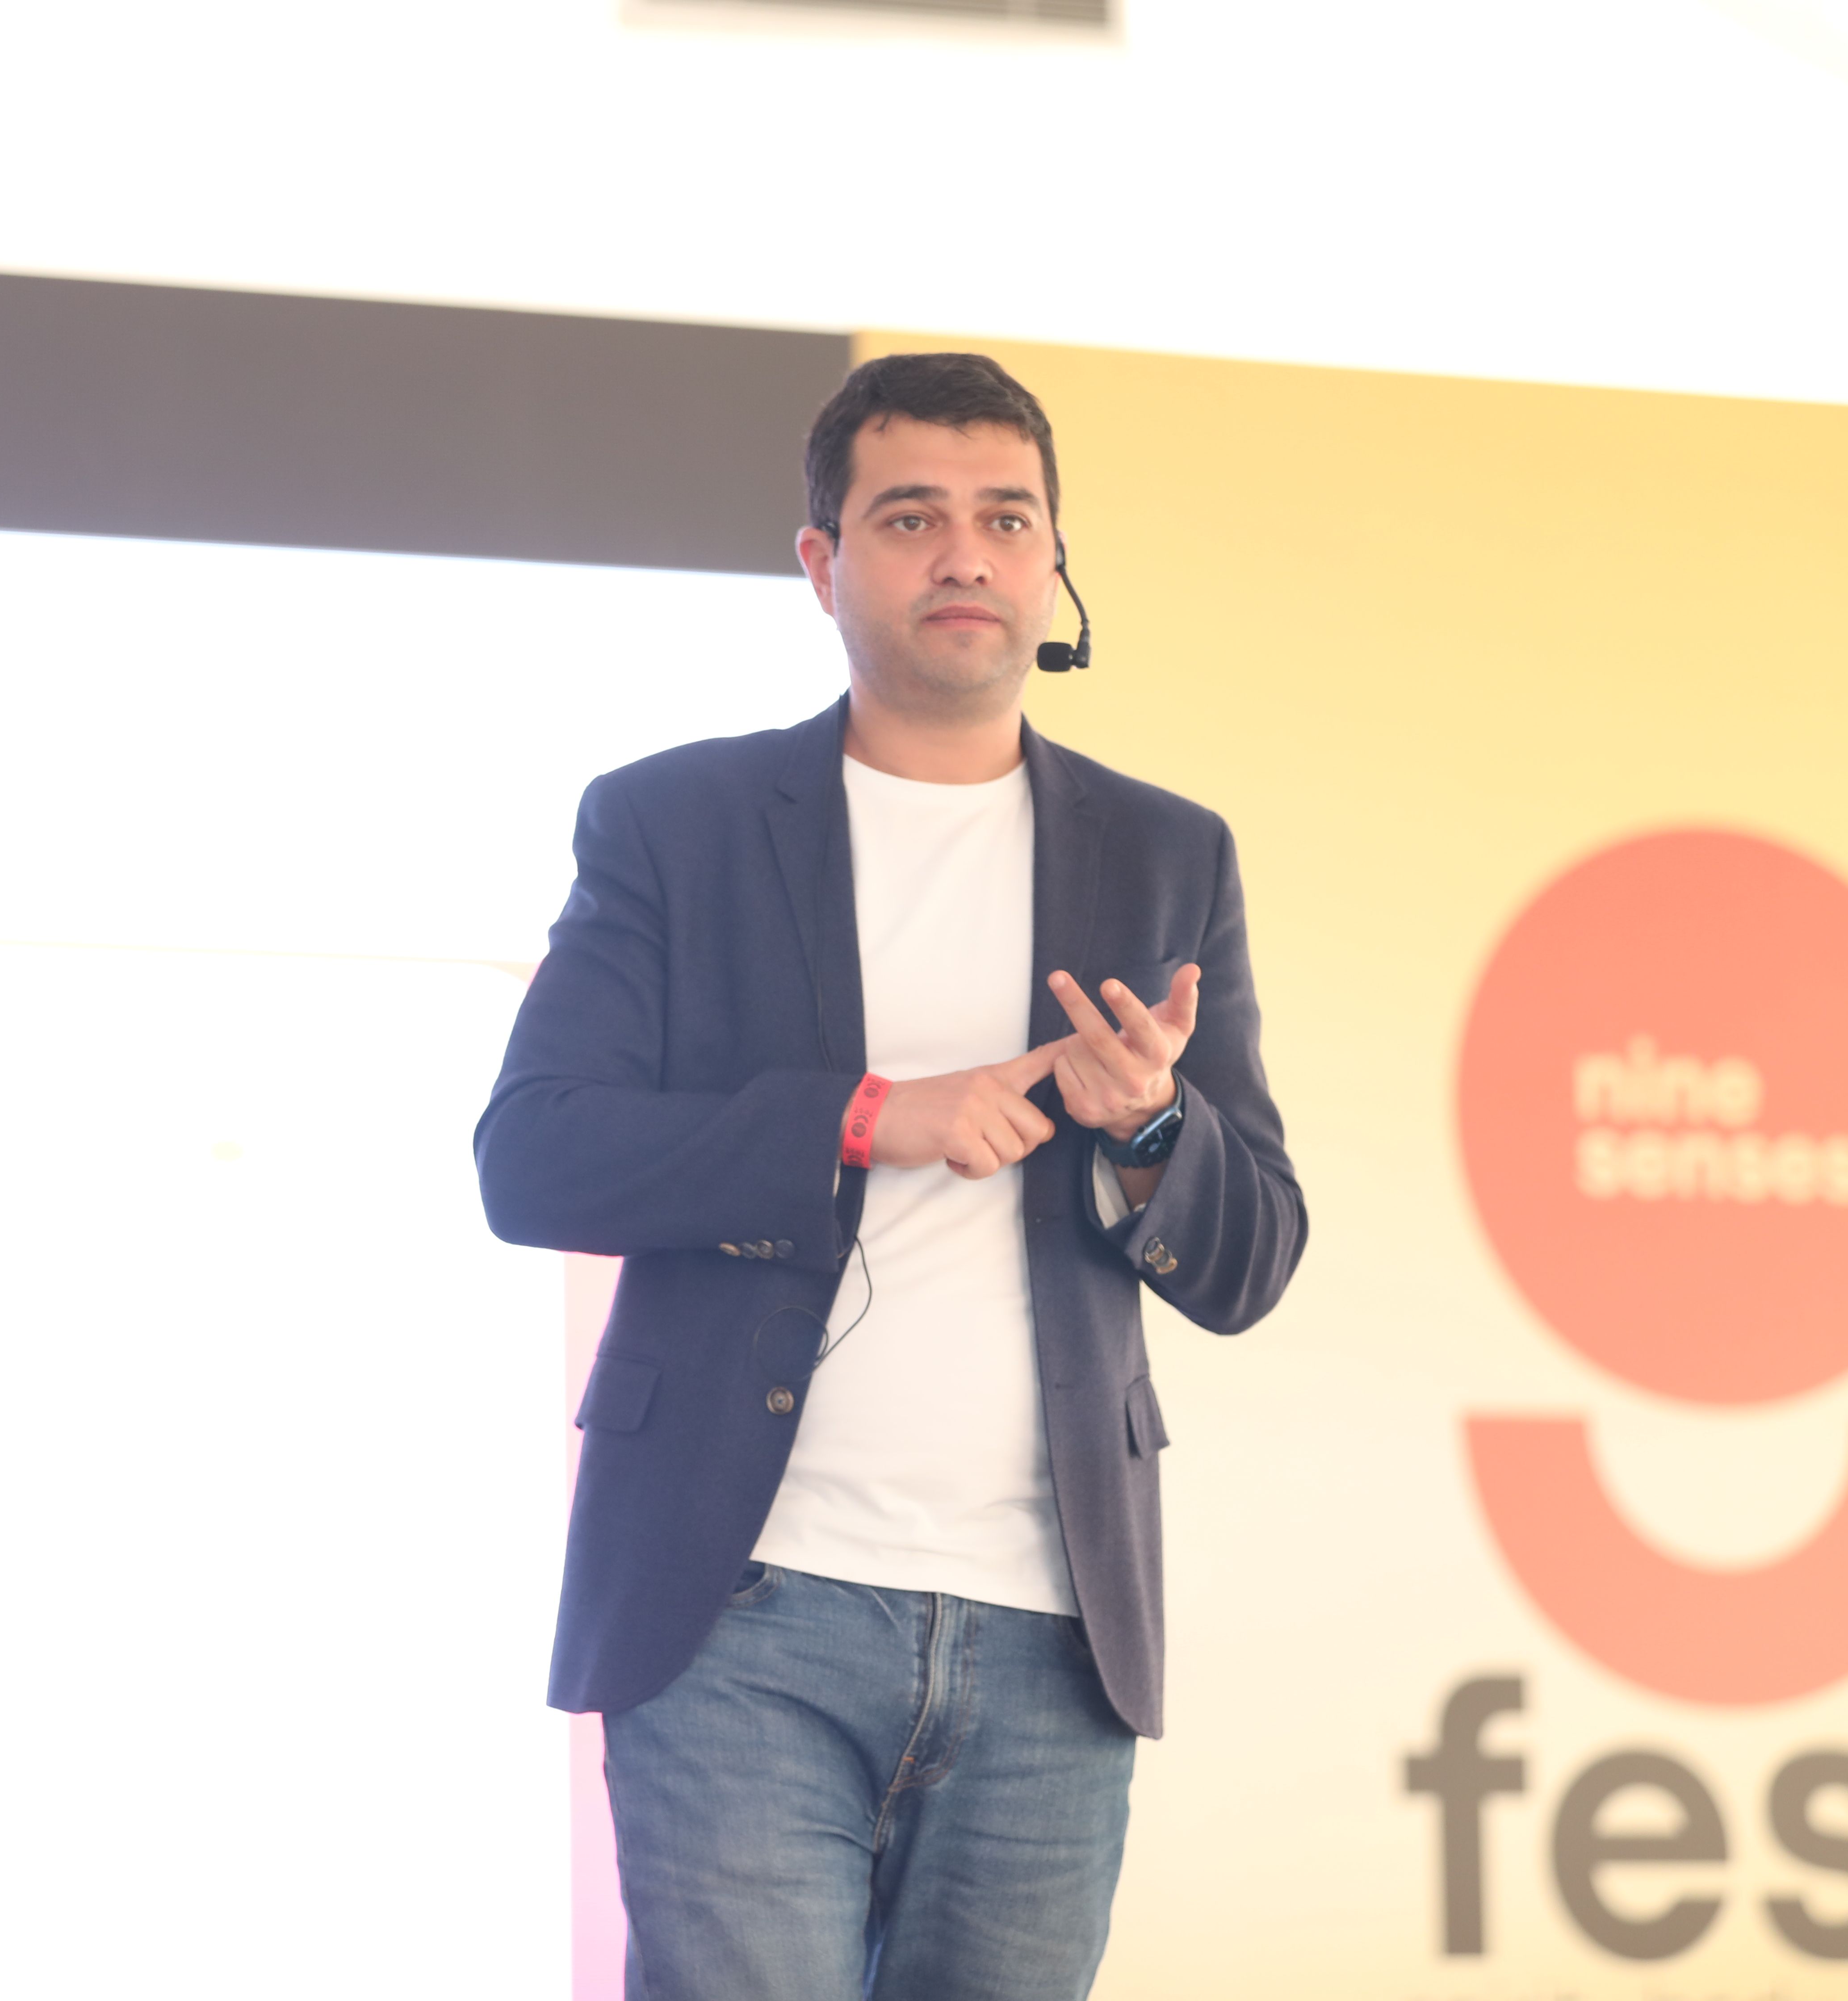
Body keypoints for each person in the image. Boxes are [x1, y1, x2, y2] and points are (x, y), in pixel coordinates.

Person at [476, 351, 1306, 2000]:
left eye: (1008, 519)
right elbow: (537, 1154)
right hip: (741, 1609)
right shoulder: (675, 824)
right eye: (911, 517)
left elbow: (1253, 1256)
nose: (965, 555)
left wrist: (1153, 1129)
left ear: (1053, 562)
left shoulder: (1168, 851)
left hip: (1054, 1633)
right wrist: (861, 1118)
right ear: (822, 561)